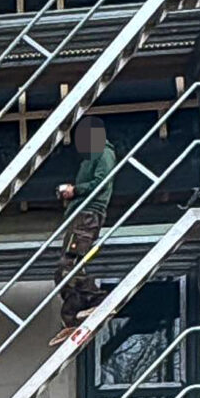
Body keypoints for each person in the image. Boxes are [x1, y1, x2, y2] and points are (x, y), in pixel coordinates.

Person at [50, 117, 117, 345]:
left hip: (88, 215)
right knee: (63, 271)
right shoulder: (90, 158)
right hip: (81, 214)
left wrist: (74, 190)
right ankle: (72, 319)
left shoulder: (104, 154)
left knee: (68, 266)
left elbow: (101, 182)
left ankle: (99, 299)